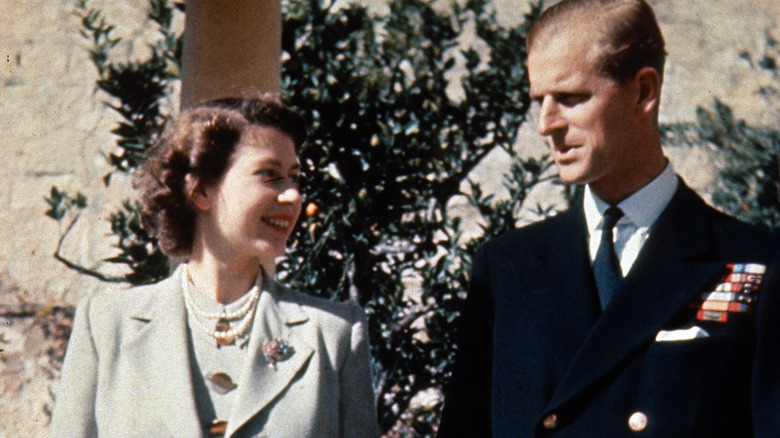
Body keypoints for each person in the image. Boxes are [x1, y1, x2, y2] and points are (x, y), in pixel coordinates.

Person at [438, 0, 780, 436]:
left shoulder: (757, 263)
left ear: (642, 92)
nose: (545, 124)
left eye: (571, 98)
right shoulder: (506, 270)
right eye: (539, 100)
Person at [50, 96, 381, 438]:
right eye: (270, 175)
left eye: (294, 178)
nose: (293, 196)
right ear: (201, 191)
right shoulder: (107, 325)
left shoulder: (333, 333)